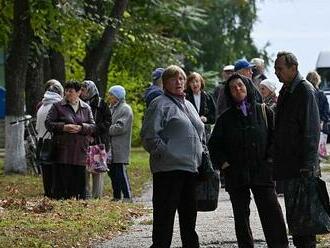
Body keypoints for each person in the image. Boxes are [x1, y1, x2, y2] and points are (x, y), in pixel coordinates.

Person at [208, 73, 288, 248]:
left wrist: (270, 159)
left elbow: (276, 138)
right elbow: (214, 145)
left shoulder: (263, 111)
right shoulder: (225, 118)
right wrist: (224, 164)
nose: (237, 89)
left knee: (272, 212)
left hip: (262, 171)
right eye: (233, 88)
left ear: (247, 87)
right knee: (241, 217)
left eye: (240, 85)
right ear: (229, 93)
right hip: (236, 174)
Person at [141, 65, 203, 248]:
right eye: (173, 79)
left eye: (182, 78)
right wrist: (167, 153)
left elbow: (200, 132)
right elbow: (149, 136)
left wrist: (201, 153)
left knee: (189, 219)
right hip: (168, 170)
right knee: (164, 219)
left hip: (191, 169)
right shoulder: (159, 104)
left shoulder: (189, 105)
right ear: (165, 83)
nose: (179, 82)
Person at [274, 51, 320, 248]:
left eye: (279, 69)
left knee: (306, 222)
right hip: (290, 165)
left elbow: (311, 130)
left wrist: (308, 165)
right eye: (275, 68)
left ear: (293, 68)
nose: (276, 72)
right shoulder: (286, 90)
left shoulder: (304, 90)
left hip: (302, 167)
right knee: (295, 219)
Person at [45, 80, 95, 200]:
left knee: (78, 182)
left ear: (78, 93)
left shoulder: (86, 107)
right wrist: (63, 127)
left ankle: (78, 204)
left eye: (71, 91)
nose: (67, 93)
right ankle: (61, 202)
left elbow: (93, 126)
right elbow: (48, 123)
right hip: (63, 150)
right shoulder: (57, 106)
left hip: (80, 150)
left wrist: (82, 127)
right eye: (66, 90)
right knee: (62, 181)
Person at [80, 80, 112, 199]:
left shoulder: (101, 103)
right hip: (84, 141)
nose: (82, 92)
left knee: (97, 170)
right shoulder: (80, 103)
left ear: (90, 90)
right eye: (81, 90)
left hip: (98, 141)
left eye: (84, 90)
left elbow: (108, 121)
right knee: (85, 169)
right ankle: (86, 194)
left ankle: (97, 196)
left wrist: (94, 130)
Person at [36, 80, 64, 198]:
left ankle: (47, 194)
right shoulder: (57, 106)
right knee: (55, 170)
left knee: (46, 171)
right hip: (53, 142)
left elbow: (37, 127)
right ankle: (55, 195)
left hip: (41, 142)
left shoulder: (42, 106)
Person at [107, 85, 133, 202]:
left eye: (111, 94)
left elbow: (120, 127)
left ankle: (127, 197)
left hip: (120, 146)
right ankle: (116, 196)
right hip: (111, 147)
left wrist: (106, 129)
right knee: (112, 173)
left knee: (121, 172)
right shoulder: (111, 108)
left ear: (117, 96)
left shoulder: (125, 109)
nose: (109, 97)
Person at [185, 72, 215, 139]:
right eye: (192, 82)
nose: (195, 84)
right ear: (189, 84)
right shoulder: (185, 97)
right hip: (189, 132)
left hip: (205, 133)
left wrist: (206, 119)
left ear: (201, 83)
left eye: (197, 81)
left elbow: (214, 115)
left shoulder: (208, 97)